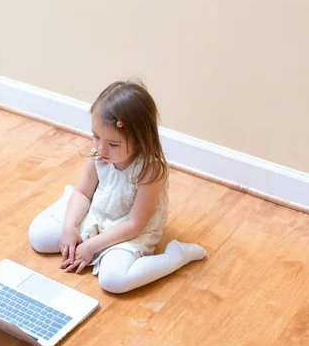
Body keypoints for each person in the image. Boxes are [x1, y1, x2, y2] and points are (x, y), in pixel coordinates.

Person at [28, 80, 206, 294]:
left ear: (141, 140)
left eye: (113, 144)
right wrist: (69, 227)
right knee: (39, 236)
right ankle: (75, 227)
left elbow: (135, 224)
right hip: (98, 214)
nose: (101, 147)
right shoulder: (98, 154)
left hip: (129, 229)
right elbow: (83, 192)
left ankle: (175, 256)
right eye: (95, 136)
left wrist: (92, 246)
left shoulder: (150, 169)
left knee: (113, 280)